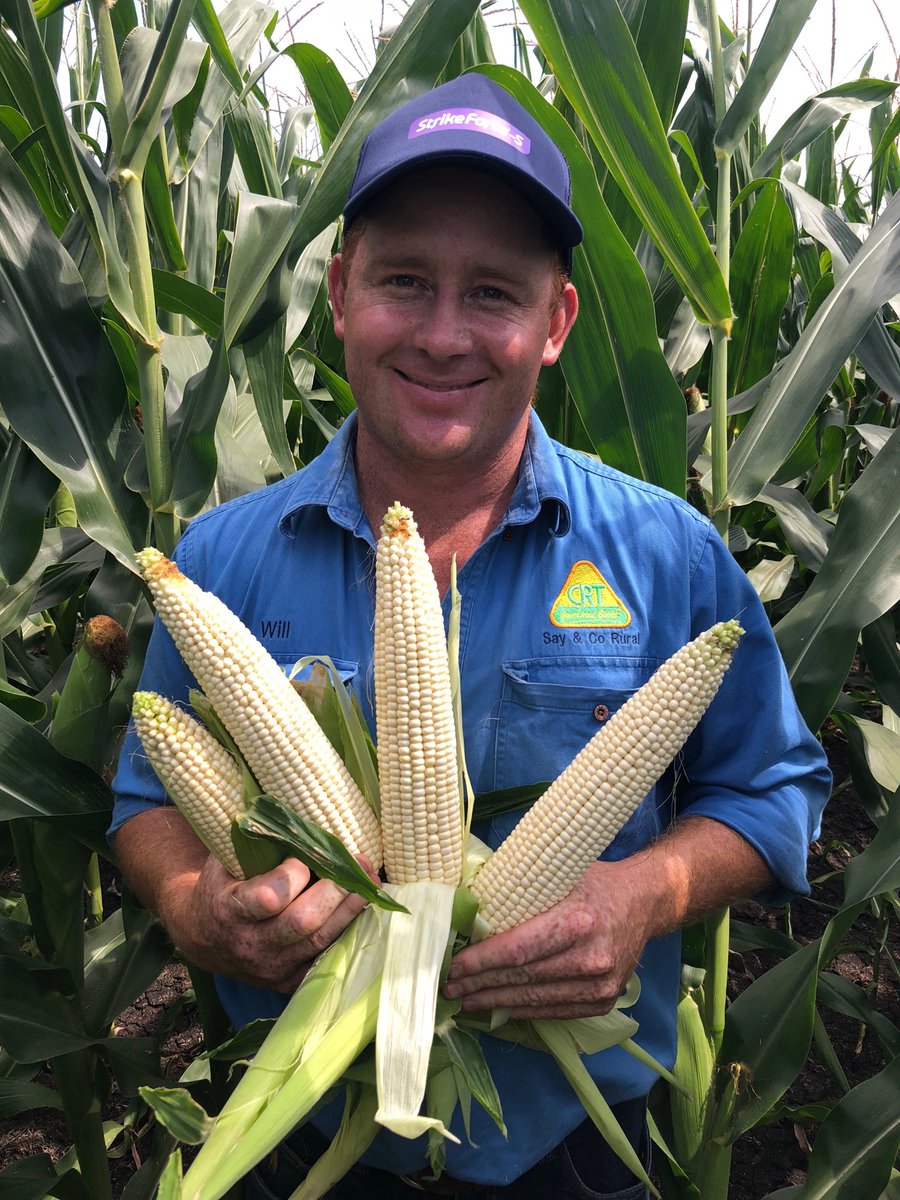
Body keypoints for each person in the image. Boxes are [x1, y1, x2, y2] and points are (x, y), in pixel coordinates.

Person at [111, 74, 831, 1199]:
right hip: (308, 1129)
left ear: (556, 323)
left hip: (571, 1146)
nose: (443, 334)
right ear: (342, 293)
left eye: (493, 293)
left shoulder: (668, 556)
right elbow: (146, 803)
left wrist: (643, 897)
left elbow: (774, 787)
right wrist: (190, 906)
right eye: (406, 281)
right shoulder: (219, 561)